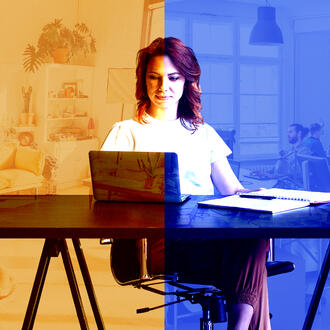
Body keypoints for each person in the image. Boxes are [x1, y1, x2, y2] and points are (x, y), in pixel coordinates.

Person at [102, 37, 270, 329]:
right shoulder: (126, 133)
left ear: (187, 81)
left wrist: (260, 196)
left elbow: (233, 190)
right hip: (159, 243)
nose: (162, 86)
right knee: (253, 268)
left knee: (256, 237)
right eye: (153, 77)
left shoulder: (202, 133)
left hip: (207, 238)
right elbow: (106, 195)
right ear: (144, 81)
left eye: (172, 77)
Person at [274, 123, 310, 189]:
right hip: (284, 182)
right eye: (288, 132)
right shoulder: (290, 150)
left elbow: (297, 174)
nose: (288, 135)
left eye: (290, 132)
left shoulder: (304, 152)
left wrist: (273, 176)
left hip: (294, 186)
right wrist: (266, 174)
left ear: (299, 133)